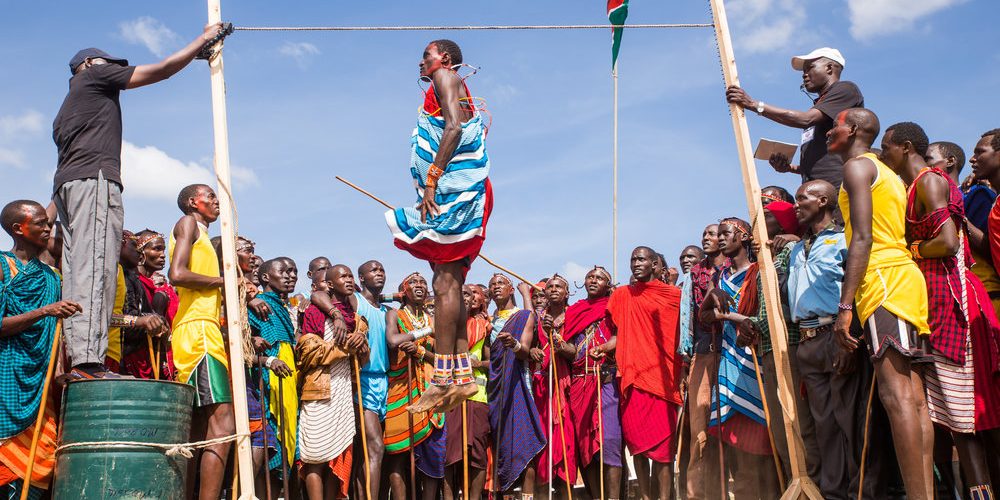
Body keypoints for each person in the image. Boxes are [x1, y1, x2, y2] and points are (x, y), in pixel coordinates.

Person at [52, 24, 225, 379]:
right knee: (97, 269)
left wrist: (51, 209)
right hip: (94, 184)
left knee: (79, 272)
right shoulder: (94, 77)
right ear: (89, 64)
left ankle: (82, 360)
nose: (112, 68)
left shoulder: (68, 108)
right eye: (106, 63)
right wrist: (201, 41)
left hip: (68, 188)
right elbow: (158, 70)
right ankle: (88, 363)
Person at [881, 122, 1000, 497]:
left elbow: (948, 242)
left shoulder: (930, 182)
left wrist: (909, 252)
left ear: (904, 147)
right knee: (955, 422)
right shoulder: (913, 186)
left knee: (968, 422)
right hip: (934, 302)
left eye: (886, 147)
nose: (883, 155)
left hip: (953, 304)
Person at [830, 108, 933, 500]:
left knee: (897, 397)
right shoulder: (887, 173)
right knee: (914, 400)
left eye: (835, 126)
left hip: (884, 282)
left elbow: (862, 239)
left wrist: (844, 310)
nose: (828, 133)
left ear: (852, 129)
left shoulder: (857, 168)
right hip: (905, 282)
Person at [386, 40, 493, 413]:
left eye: (426, 55)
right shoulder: (446, 83)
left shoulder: (445, 77)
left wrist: (432, 179)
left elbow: (452, 129)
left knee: (444, 283)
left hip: (456, 191)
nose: (421, 61)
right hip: (458, 192)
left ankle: (442, 377)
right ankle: (462, 378)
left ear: (444, 59)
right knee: (450, 281)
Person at [782, 180, 880, 498]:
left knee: (850, 418)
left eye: (802, 198)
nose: (796, 205)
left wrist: (848, 333)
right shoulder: (797, 248)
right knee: (824, 424)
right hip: (807, 341)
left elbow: (857, 286)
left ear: (824, 200)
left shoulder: (843, 239)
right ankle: (834, 493)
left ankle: (863, 492)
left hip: (836, 334)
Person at [0, 200, 80, 498]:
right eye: (41, 224)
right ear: (18, 229)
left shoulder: (52, 276)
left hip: (41, 385)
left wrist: (60, 371)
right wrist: (45, 311)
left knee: (43, 457)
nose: (48, 228)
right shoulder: (2, 266)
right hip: (7, 377)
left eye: (48, 223)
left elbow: (56, 334)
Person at [699, 220, 779, 500]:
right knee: (737, 447)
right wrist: (713, 299)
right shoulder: (719, 276)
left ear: (744, 237)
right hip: (730, 360)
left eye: (726, 234)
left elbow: (762, 320)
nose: (720, 239)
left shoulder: (759, 270)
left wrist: (731, 316)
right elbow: (705, 316)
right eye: (717, 234)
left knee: (765, 442)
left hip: (756, 358)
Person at [167, 183, 234, 500]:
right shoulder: (188, 224)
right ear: (193, 202)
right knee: (223, 424)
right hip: (198, 334)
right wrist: (223, 281)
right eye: (210, 195)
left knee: (197, 430)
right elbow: (177, 274)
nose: (216, 200)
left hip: (203, 330)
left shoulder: (204, 236)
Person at [603, 246, 683, 500]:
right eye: (632, 260)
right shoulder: (622, 295)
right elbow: (618, 333)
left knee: (663, 450)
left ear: (655, 263)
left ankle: (663, 497)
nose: (635, 263)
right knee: (637, 445)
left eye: (641, 259)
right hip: (632, 378)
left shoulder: (673, 295)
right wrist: (602, 348)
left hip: (662, 378)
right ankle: (645, 497)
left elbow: (682, 335)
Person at [726, 47, 864, 188]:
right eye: (804, 71)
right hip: (817, 192)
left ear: (829, 68)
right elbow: (819, 163)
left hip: (838, 188)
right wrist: (789, 168)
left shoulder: (846, 89)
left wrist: (753, 104)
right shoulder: (820, 106)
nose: (804, 75)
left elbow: (805, 119)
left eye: (809, 68)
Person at [296, 265, 369, 500]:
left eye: (350, 276)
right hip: (319, 391)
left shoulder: (356, 319)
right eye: (343, 276)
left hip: (343, 392)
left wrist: (361, 343)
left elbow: (362, 362)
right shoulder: (315, 312)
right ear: (330, 283)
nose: (348, 280)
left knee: (337, 457)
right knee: (315, 456)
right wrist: (347, 346)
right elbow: (308, 353)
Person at [384, 272, 446, 500]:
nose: (419, 285)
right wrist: (425, 332)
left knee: (433, 454)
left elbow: (440, 356)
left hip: (430, 392)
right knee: (398, 453)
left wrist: (420, 351)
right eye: (413, 283)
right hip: (401, 389)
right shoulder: (395, 314)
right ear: (404, 290)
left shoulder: (432, 320)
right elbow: (393, 340)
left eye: (423, 283)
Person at [564, 266, 624, 499]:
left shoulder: (614, 306)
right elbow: (572, 350)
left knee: (609, 442)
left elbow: (621, 335)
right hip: (580, 384)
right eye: (590, 276)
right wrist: (560, 345)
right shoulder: (575, 311)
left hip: (607, 379)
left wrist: (606, 347)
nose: (593, 280)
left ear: (608, 285)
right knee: (585, 445)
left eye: (600, 278)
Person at [488, 274, 545, 497]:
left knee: (525, 440)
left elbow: (524, 351)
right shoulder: (489, 322)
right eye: (492, 285)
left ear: (510, 289)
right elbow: (488, 358)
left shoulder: (523, 316)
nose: (495, 287)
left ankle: (528, 496)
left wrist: (514, 344)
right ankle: (508, 494)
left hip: (518, 383)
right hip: (496, 388)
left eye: (500, 283)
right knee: (503, 445)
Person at [247, 258, 299, 487]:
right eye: (284, 271)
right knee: (269, 445)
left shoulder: (282, 306)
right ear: (266, 277)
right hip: (265, 384)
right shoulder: (259, 305)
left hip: (287, 381)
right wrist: (268, 361)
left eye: (294, 271)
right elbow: (244, 346)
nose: (291, 276)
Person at [685, 225, 728, 500]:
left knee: (733, 426)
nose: (708, 238)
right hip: (702, 351)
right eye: (705, 235)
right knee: (699, 429)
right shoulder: (694, 276)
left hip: (734, 351)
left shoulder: (735, 268)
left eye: (713, 234)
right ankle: (696, 494)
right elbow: (690, 320)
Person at [442, 284, 492, 500]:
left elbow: (495, 363)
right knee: (450, 454)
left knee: (477, 454)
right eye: (460, 294)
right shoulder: (443, 326)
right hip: (450, 398)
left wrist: (478, 362)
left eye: (469, 295)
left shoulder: (483, 326)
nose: (465, 298)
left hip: (477, 397)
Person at [531, 275, 578, 495]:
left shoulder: (575, 315)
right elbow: (529, 347)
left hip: (567, 384)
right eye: (549, 287)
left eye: (559, 286)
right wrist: (533, 351)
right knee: (544, 445)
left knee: (565, 441)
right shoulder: (538, 317)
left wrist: (554, 336)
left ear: (567, 293)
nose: (553, 289)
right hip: (543, 386)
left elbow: (574, 352)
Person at [350, 260, 390, 498]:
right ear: (361, 278)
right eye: (374, 270)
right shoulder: (356, 301)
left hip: (385, 382)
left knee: (369, 451)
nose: (379, 274)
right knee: (375, 447)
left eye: (382, 270)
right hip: (362, 380)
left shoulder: (386, 311)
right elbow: (321, 296)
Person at [108, 230, 169, 378]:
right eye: (135, 245)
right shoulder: (113, 273)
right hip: (115, 353)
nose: (139, 252)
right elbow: (103, 317)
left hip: (126, 355)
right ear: (121, 245)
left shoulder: (130, 277)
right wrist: (144, 321)